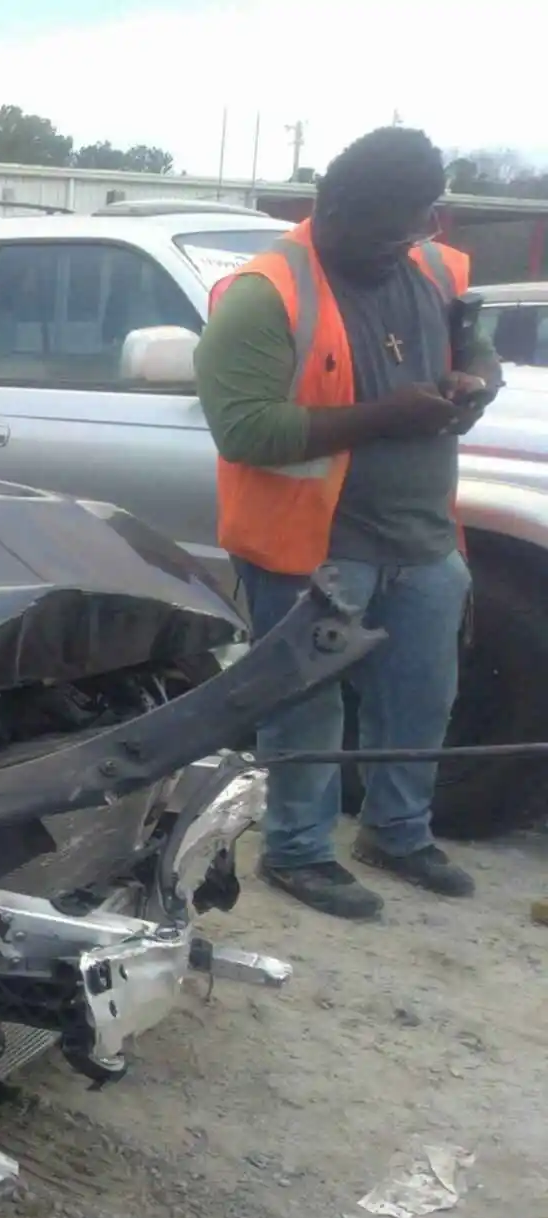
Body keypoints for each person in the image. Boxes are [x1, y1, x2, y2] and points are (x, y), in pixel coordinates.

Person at [194, 127, 502, 920]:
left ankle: (397, 832)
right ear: (330, 209)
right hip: (314, 547)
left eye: (415, 226)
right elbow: (245, 431)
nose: (400, 246)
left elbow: (480, 349)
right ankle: (299, 852)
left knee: (421, 697)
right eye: (381, 231)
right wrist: (385, 416)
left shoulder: (434, 268)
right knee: (306, 704)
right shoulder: (267, 293)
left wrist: (477, 382)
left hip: (424, 536)